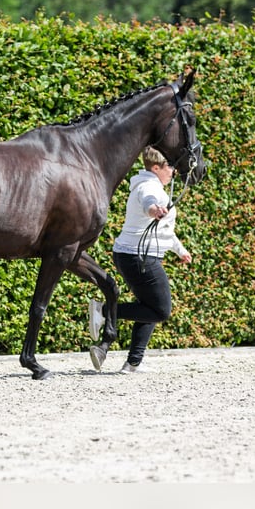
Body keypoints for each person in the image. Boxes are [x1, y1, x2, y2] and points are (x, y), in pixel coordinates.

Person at [89, 146, 192, 373]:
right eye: (170, 167)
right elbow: (149, 202)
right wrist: (153, 209)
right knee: (161, 310)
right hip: (138, 256)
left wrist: (179, 250)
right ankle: (104, 311)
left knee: (149, 306)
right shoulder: (148, 187)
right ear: (156, 168)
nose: (173, 172)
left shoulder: (149, 184)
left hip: (134, 254)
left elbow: (163, 228)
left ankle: (133, 363)